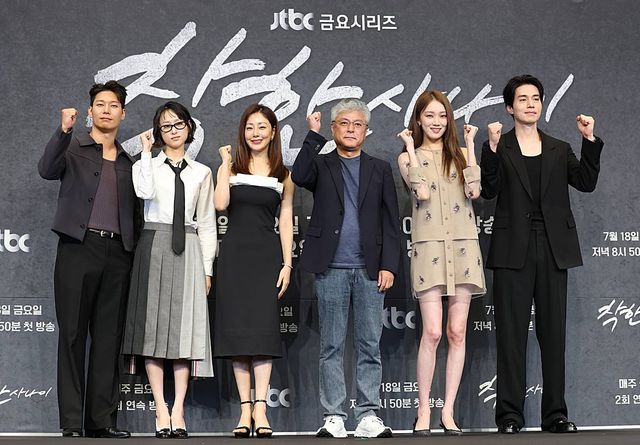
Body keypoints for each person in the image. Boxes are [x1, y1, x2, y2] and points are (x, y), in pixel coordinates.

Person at [480, 74, 603, 434]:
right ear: (509, 107)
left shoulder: (559, 148)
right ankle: (509, 416)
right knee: (511, 335)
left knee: (553, 335)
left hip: (553, 249)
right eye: (522, 99)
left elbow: (586, 182)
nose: (530, 104)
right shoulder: (499, 145)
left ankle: (555, 415)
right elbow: (489, 190)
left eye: (535, 98)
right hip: (512, 250)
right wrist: (490, 149)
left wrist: (589, 140)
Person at [292, 99, 400, 438]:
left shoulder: (380, 169)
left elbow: (391, 221)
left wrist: (389, 265)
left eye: (357, 124)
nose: (351, 129)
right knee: (331, 346)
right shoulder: (321, 165)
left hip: (370, 269)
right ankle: (334, 416)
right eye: (344, 123)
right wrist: (312, 135)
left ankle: (368, 414)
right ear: (333, 128)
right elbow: (298, 175)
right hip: (331, 267)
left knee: (369, 345)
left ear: (366, 130)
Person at [38, 81, 139, 438]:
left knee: (109, 339)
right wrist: (63, 131)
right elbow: (46, 169)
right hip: (78, 248)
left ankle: (102, 421)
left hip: (118, 255)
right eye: (100, 104)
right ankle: (71, 421)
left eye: (113, 105)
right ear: (90, 111)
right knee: (72, 334)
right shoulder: (73, 146)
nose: (106, 110)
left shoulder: (129, 161)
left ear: (123, 113)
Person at [121, 101, 216, 439]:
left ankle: (179, 410)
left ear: (189, 128)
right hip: (153, 245)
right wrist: (147, 153)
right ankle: (161, 409)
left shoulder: (202, 172)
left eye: (178, 124)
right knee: (153, 330)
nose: (173, 131)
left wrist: (207, 268)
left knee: (183, 330)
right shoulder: (144, 165)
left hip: (188, 247)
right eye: (166, 126)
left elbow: (207, 223)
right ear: (157, 132)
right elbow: (143, 192)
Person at [397, 90, 486, 436]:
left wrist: (471, 146)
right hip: (429, 248)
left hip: (463, 248)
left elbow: (474, 191)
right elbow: (420, 192)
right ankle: (423, 409)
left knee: (456, 332)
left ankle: (448, 411)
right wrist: (409, 147)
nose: (436, 122)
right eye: (429, 116)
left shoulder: (461, 155)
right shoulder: (407, 157)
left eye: (442, 116)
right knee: (433, 332)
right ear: (418, 120)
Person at [213, 103, 294, 438]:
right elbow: (220, 204)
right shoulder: (231, 167)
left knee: (262, 335)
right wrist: (223, 166)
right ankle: (244, 410)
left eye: (262, 127)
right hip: (234, 258)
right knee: (237, 336)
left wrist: (287, 263)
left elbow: (286, 220)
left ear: (273, 132)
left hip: (266, 259)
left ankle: (261, 408)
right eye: (250, 127)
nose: (255, 133)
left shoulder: (283, 174)